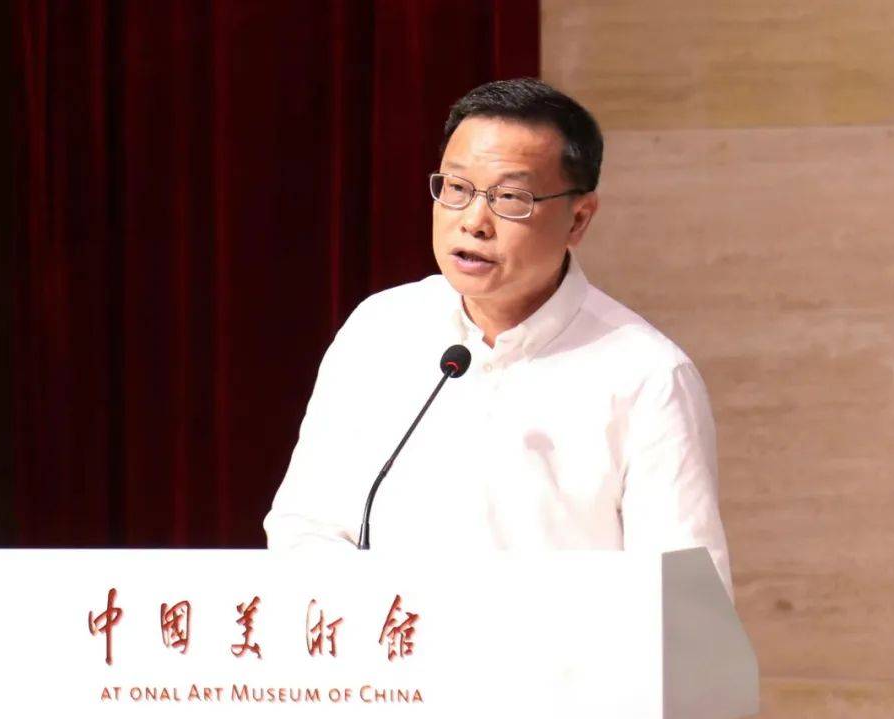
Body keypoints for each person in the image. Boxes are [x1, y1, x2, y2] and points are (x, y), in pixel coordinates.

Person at [263, 78, 731, 598]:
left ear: (578, 219)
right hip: (393, 648)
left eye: (509, 198)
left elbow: (687, 604)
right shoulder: (380, 330)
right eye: (456, 189)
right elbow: (307, 525)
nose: (474, 222)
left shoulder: (647, 376)